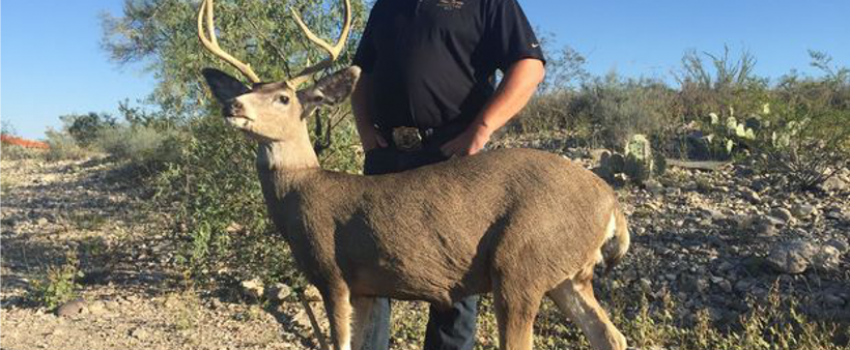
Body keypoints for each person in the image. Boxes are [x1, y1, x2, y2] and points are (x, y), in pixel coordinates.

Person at [350, 0, 545, 349]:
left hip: (450, 158)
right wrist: (365, 130)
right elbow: (364, 73)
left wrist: (482, 128)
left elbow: (529, 67)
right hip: (386, 158)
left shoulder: (490, 3)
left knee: (453, 281)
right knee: (371, 273)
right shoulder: (387, 5)